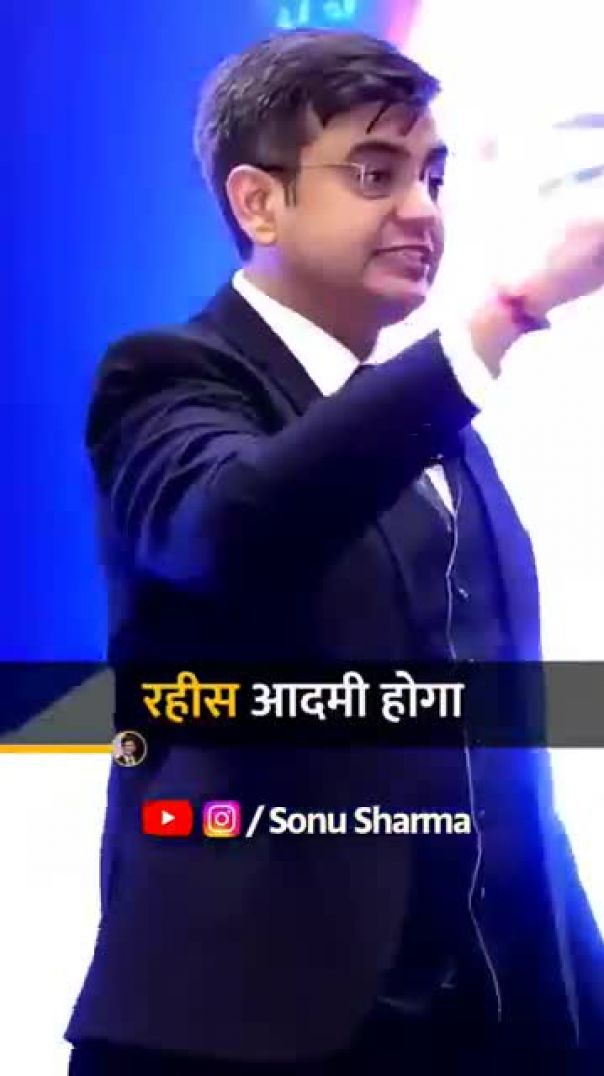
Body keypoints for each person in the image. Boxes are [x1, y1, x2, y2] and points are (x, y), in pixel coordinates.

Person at [65, 29, 604, 1075]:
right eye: (374, 173)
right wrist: (503, 312)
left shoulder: (431, 420)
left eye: (433, 176)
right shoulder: (168, 379)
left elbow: (501, 768)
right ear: (258, 203)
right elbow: (233, 530)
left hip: (492, 1023)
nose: (422, 211)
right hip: (246, 1029)